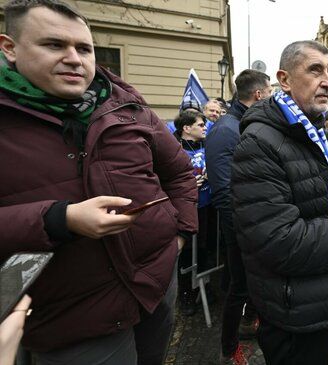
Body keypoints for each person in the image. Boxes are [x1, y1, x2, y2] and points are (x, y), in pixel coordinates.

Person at [0, 0, 197, 362]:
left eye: (85, 48)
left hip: (155, 285)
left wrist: (179, 236)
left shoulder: (130, 107)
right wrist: (59, 219)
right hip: (70, 316)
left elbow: (181, 172)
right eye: (54, 45)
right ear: (9, 48)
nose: (74, 58)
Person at [230, 40, 328, 364]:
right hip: (292, 310)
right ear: (285, 79)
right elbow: (280, 241)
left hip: (316, 298)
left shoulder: (310, 130)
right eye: (315, 70)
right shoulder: (259, 143)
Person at [205, 69, 272, 363]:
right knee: (239, 286)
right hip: (241, 227)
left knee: (253, 282)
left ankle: (250, 322)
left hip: (257, 222)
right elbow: (222, 190)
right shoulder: (225, 129)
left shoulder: (247, 123)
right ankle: (229, 349)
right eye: (269, 92)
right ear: (258, 94)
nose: (271, 97)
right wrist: (243, 232)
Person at [173, 110, 211, 317]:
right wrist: (187, 185)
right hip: (185, 210)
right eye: (200, 124)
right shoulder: (174, 150)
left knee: (204, 248)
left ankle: (202, 286)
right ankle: (185, 293)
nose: (205, 127)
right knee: (186, 252)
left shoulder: (207, 147)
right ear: (187, 128)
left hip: (206, 207)